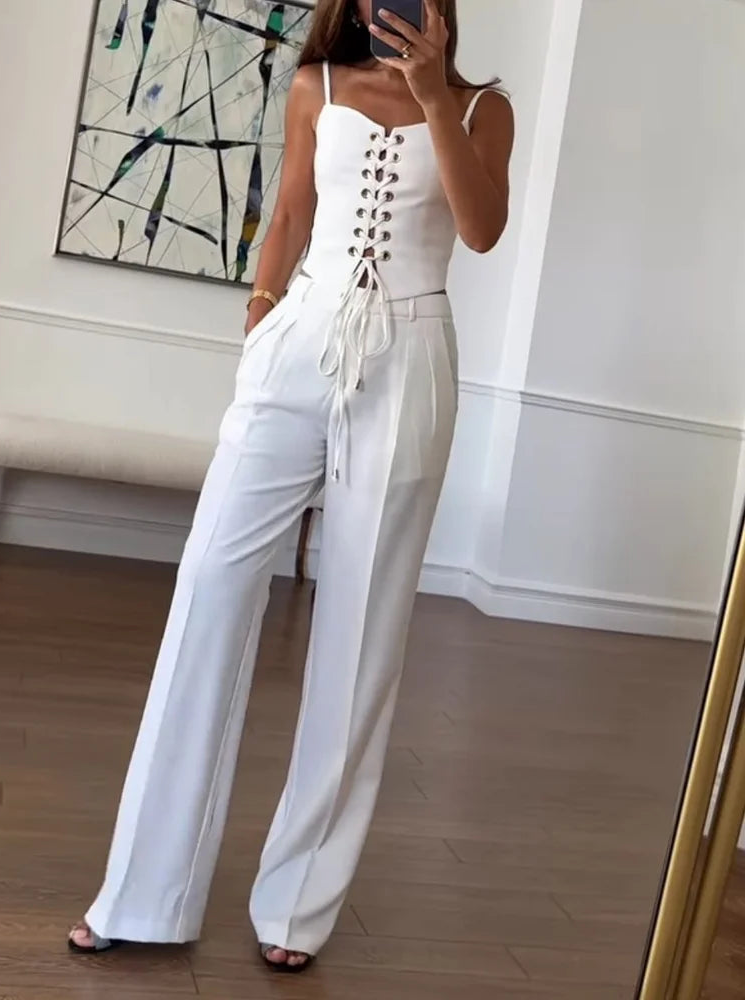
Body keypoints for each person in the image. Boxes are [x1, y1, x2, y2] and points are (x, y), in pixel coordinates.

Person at [68, 0, 514, 973]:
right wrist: (260, 323)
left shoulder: (484, 109)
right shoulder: (315, 85)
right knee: (209, 586)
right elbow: (289, 216)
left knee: (360, 633)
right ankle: (141, 888)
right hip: (299, 342)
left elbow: (481, 230)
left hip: (410, 359)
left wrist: (435, 97)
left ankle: (298, 904)